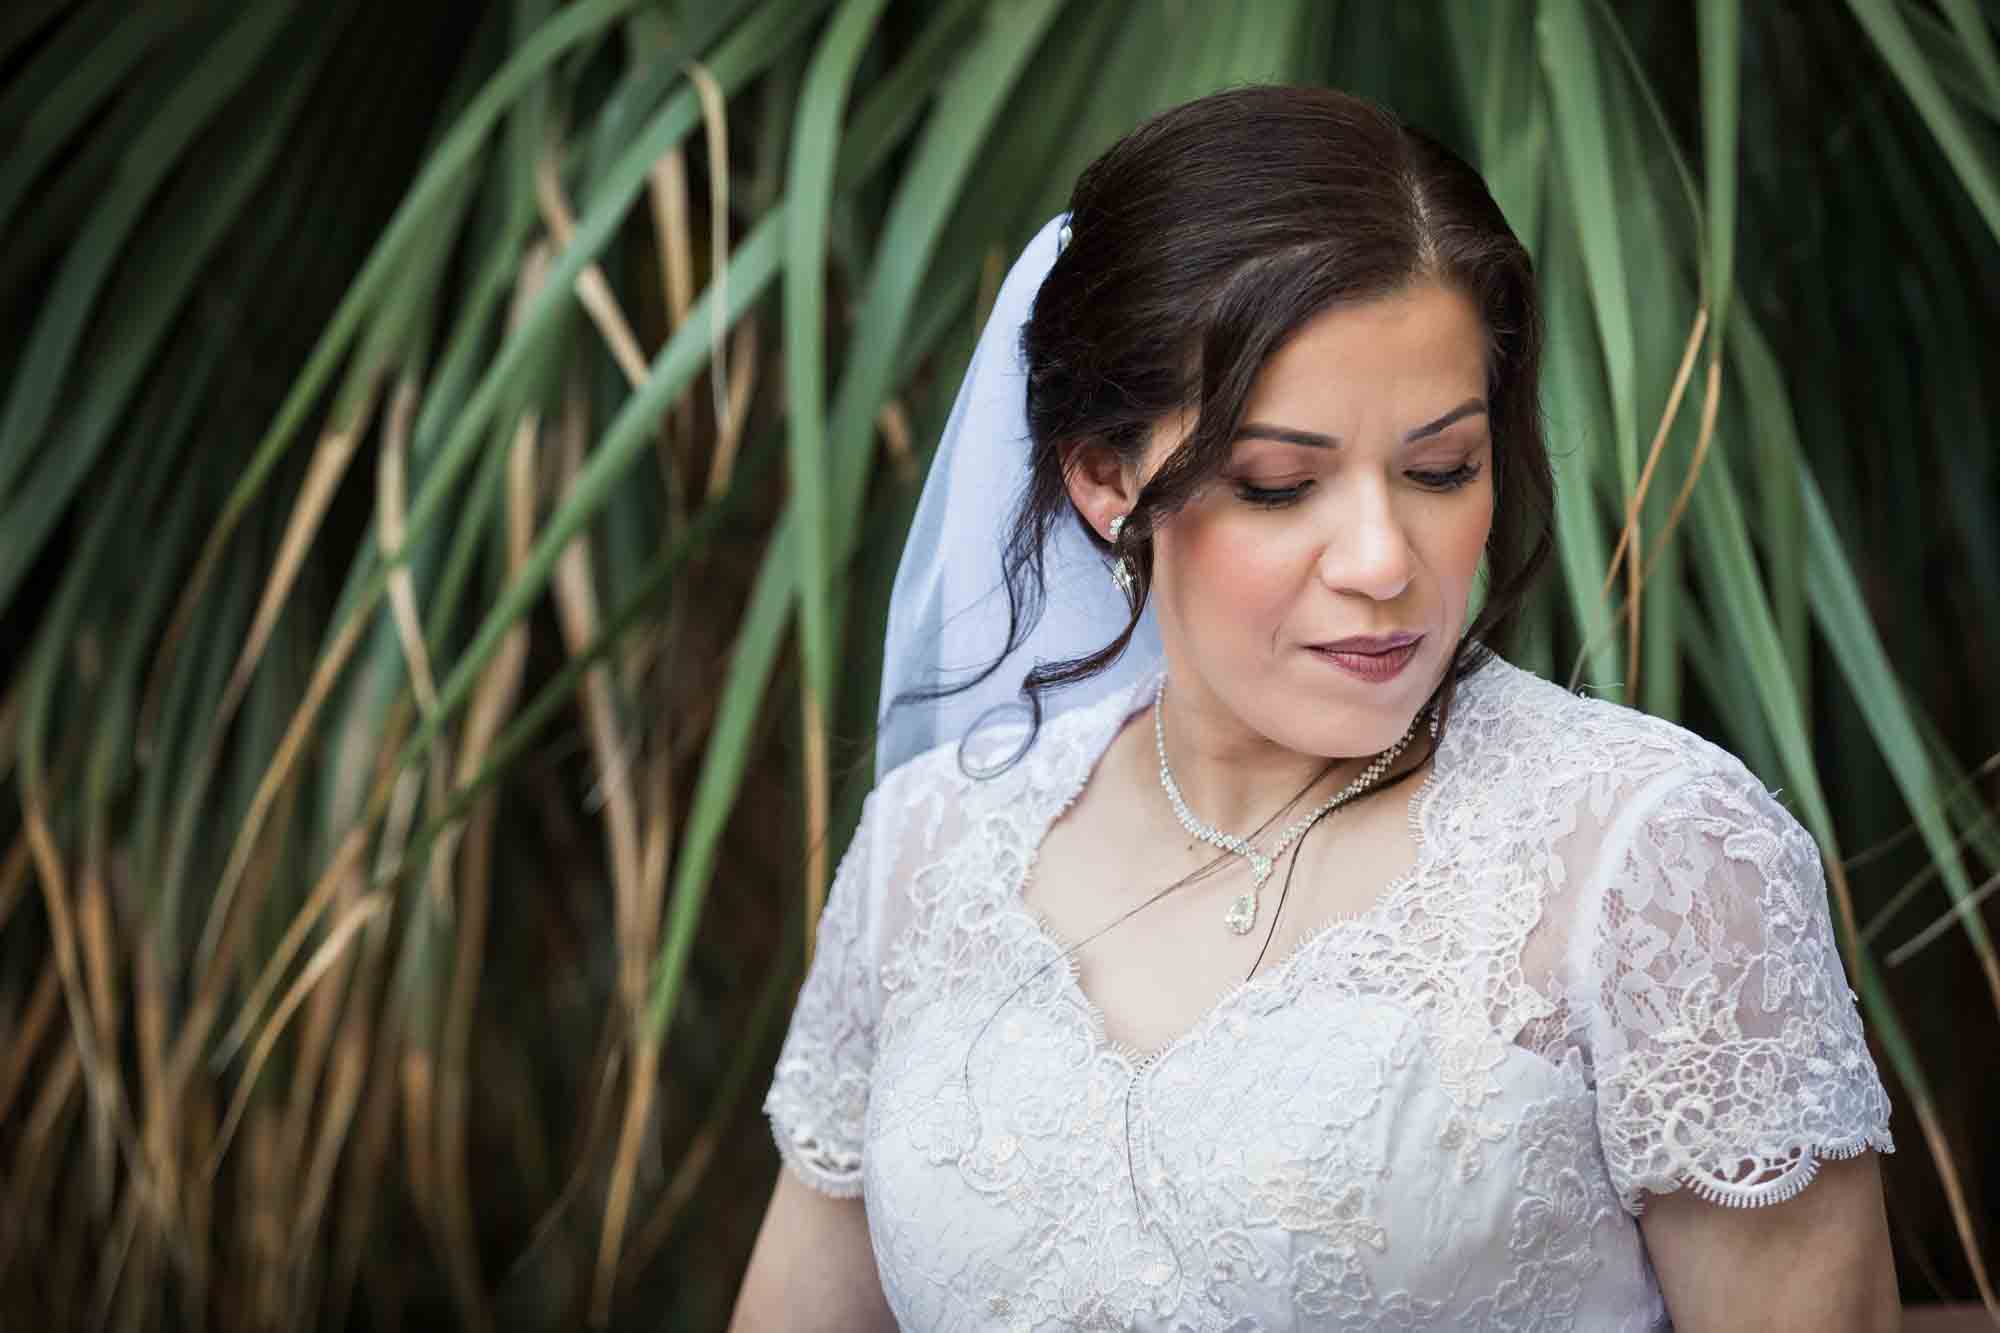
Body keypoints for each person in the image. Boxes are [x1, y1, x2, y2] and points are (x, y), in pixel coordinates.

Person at [730, 85, 1899, 1331]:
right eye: (1280, 485)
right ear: (1103, 481)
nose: (1382, 560)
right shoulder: (930, 848)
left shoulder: (1653, 858)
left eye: (1440, 468)